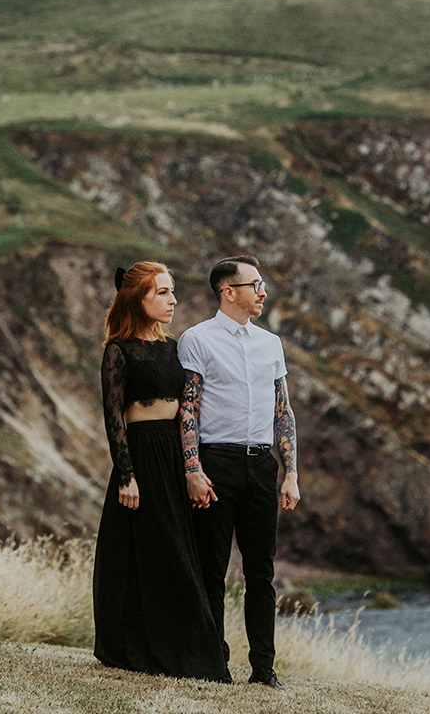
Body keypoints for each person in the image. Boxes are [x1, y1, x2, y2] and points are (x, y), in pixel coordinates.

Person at [92, 261, 227, 682]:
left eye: (172, 291)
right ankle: (135, 646)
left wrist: (193, 466)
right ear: (139, 299)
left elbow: (189, 408)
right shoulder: (118, 349)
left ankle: (192, 648)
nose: (172, 300)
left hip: (174, 452)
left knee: (181, 551)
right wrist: (126, 473)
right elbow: (113, 414)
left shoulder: (173, 348)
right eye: (162, 293)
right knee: (145, 552)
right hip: (141, 455)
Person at [177, 255, 300, 689]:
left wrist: (290, 473)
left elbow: (283, 411)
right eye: (255, 284)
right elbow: (187, 409)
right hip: (215, 464)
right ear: (229, 292)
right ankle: (215, 664)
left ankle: (264, 670)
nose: (263, 291)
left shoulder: (271, 344)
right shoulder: (196, 340)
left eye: (262, 283)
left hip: (261, 465)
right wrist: (192, 469)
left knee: (261, 572)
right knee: (212, 569)